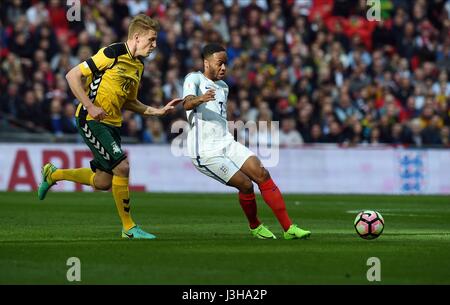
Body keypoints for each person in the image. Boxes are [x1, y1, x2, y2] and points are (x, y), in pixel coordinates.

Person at [37, 14, 181, 239]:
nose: (154, 45)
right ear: (136, 37)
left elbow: (130, 102)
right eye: (151, 40)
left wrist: (158, 111)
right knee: (122, 167)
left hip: (112, 124)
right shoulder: (111, 53)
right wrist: (90, 106)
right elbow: (72, 75)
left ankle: (53, 175)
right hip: (91, 119)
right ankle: (129, 227)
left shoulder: (138, 66)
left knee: (104, 181)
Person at [182, 43, 311, 239]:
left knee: (262, 173)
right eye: (220, 63)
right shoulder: (194, 78)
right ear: (206, 63)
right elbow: (186, 103)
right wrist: (201, 99)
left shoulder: (224, 87)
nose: (224, 68)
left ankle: (289, 229)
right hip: (205, 151)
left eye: (226, 63)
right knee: (246, 185)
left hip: (226, 142)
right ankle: (255, 226)